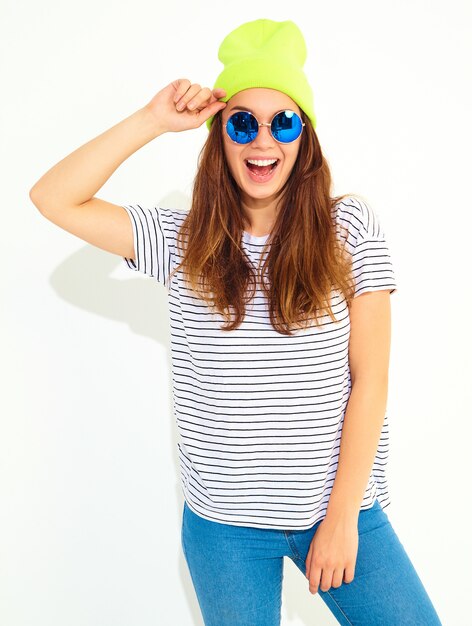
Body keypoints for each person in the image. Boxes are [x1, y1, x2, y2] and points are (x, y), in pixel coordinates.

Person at [29, 16, 443, 626]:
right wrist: (152, 120)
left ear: (306, 138)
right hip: (223, 526)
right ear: (220, 135)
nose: (262, 141)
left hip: (336, 508)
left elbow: (371, 381)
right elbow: (53, 197)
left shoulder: (349, 228)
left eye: (284, 122)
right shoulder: (182, 240)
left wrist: (341, 519)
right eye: (243, 122)